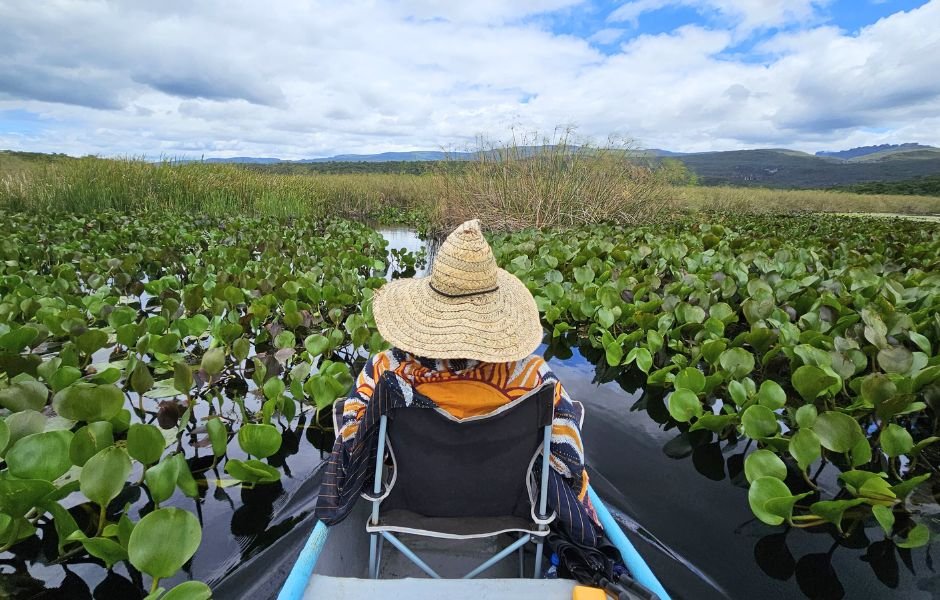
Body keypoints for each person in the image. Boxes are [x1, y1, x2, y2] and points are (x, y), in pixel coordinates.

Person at [315, 219, 600, 546]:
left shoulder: (386, 371)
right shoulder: (535, 379)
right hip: (507, 507)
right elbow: (566, 465)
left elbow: (353, 444)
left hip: (407, 501)